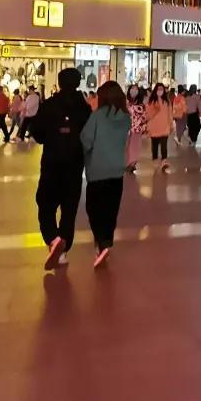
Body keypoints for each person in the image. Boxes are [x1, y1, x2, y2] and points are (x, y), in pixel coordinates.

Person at [30, 67, 91, 269]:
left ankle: (52, 238)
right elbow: (89, 135)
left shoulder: (49, 104)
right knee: (69, 208)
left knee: (45, 203)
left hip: (52, 162)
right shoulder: (84, 107)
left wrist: (52, 137)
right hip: (75, 164)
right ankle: (63, 249)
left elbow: (37, 133)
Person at [81, 81, 129, 268]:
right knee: (111, 209)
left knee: (94, 208)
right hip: (117, 169)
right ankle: (106, 241)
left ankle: (101, 243)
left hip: (97, 169)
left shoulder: (97, 117)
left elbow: (86, 140)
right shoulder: (125, 118)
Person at [147, 83, 172, 172]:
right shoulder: (151, 101)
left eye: (162, 89)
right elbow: (148, 114)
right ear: (155, 90)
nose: (160, 91)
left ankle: (164, 161)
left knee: (164, 146)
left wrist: (171, 124)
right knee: (154, 146)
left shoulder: (167, 101)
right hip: (154, 127)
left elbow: (170, 114)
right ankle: (155, 159)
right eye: (158, 89)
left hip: (165, 127)